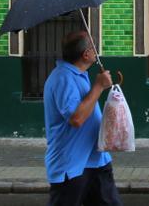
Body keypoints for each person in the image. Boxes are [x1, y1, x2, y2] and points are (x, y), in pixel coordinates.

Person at [43, 30, 122, 206]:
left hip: (96, 161)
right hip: (72, 166)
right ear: (86, 54)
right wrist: (99, 87)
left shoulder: (79, 75)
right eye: (94, 47)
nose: (97, 50)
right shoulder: (63, 78)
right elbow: (76, 119)